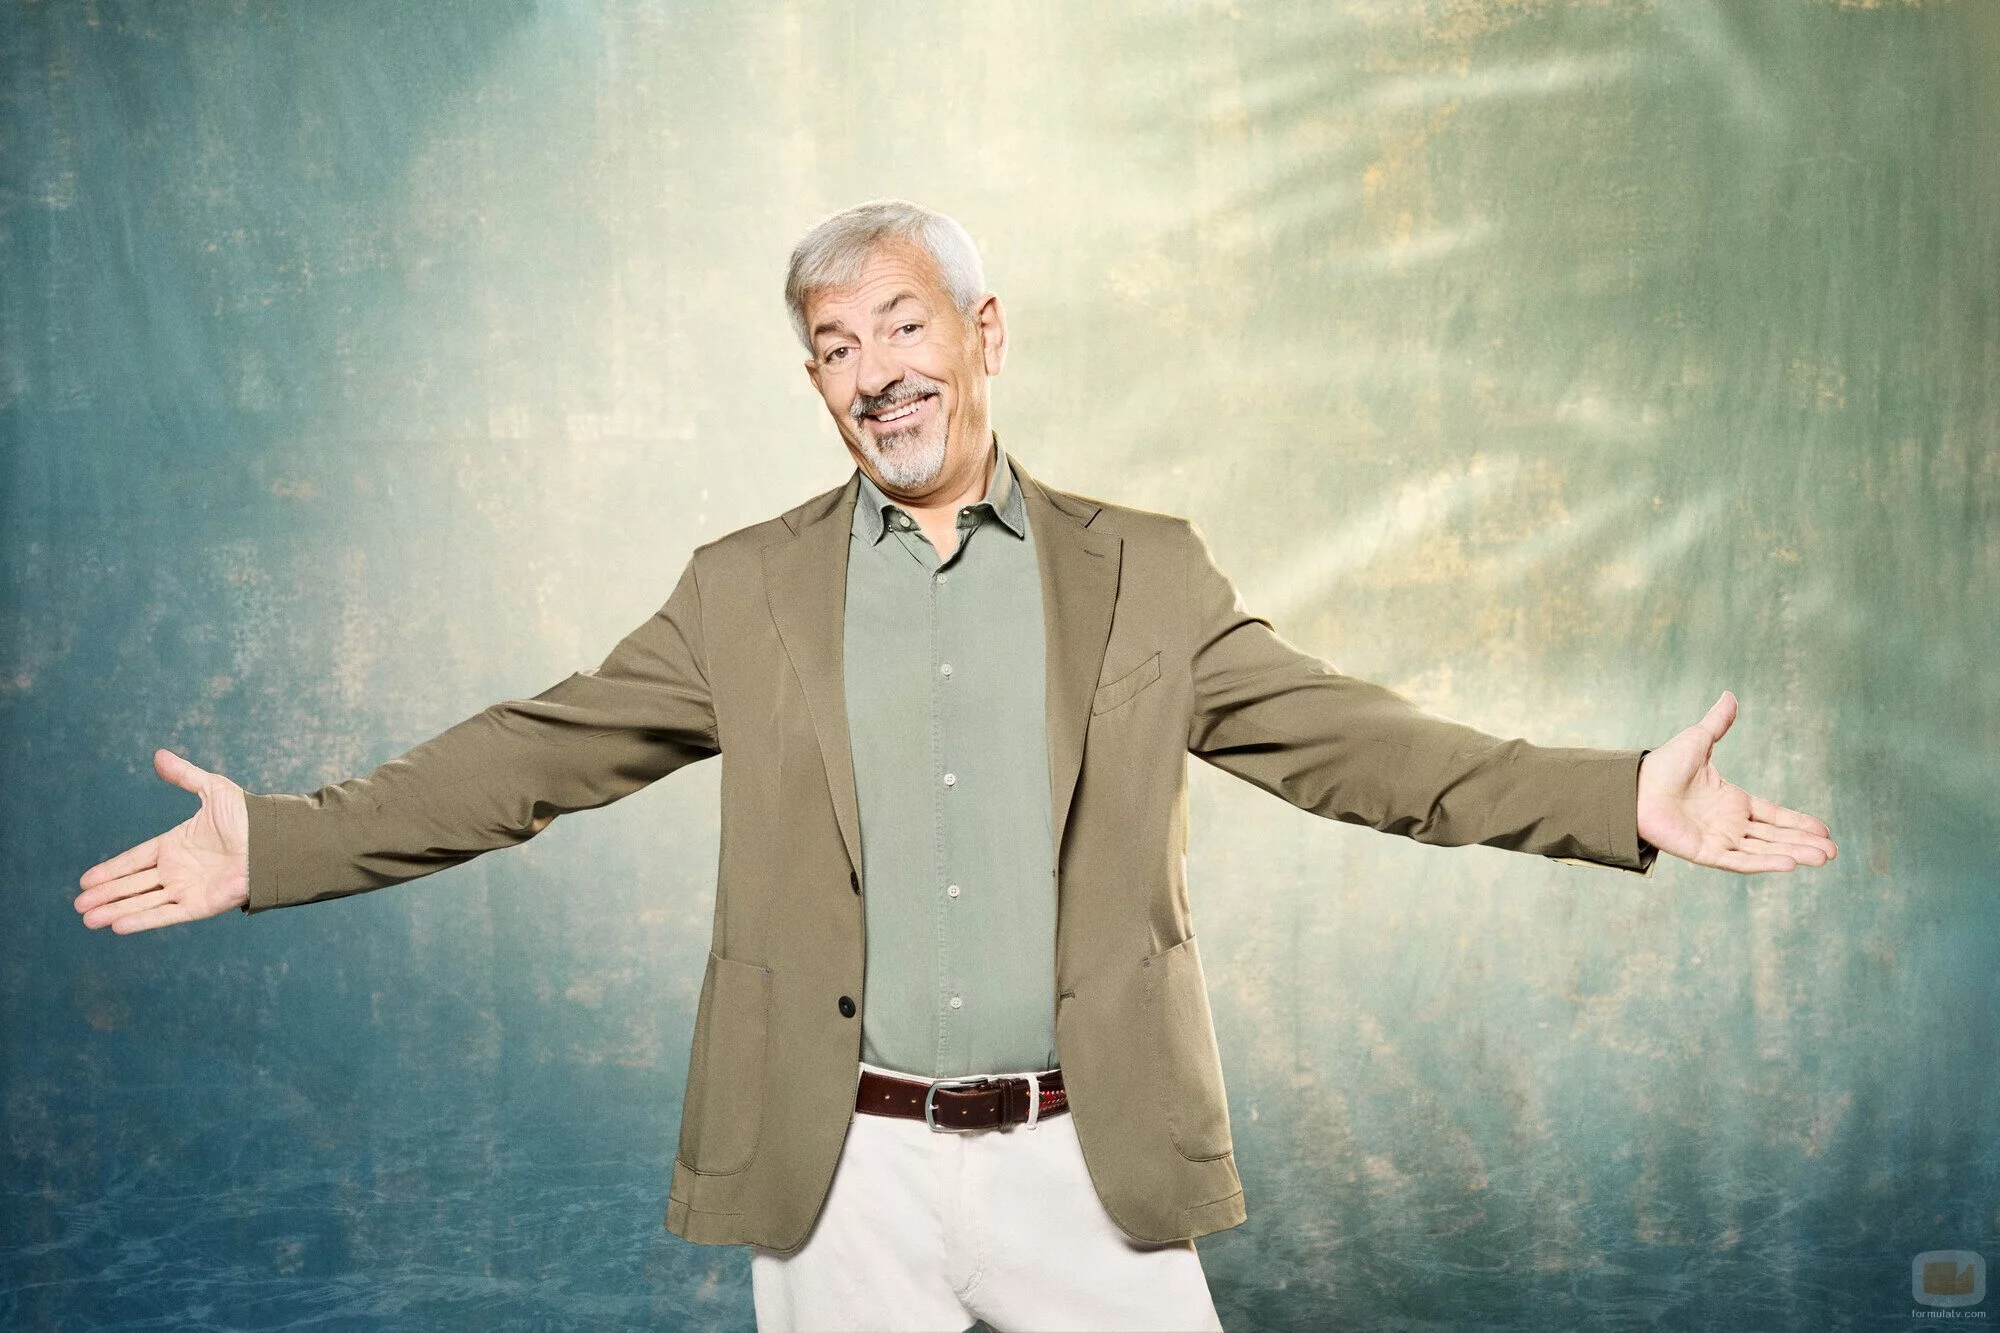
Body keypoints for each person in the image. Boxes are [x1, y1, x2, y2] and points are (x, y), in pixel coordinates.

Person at [74, 199, 1837, 1333]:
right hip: (836, 1173)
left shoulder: (1146, 573)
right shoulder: (745, 591)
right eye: (835, 349)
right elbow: (542, 755)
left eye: (904, 328)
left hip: (1093, 1159)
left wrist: (1618, 797)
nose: (874, 374)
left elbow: (1356, 749)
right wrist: (279, 846)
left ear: (987, 335)